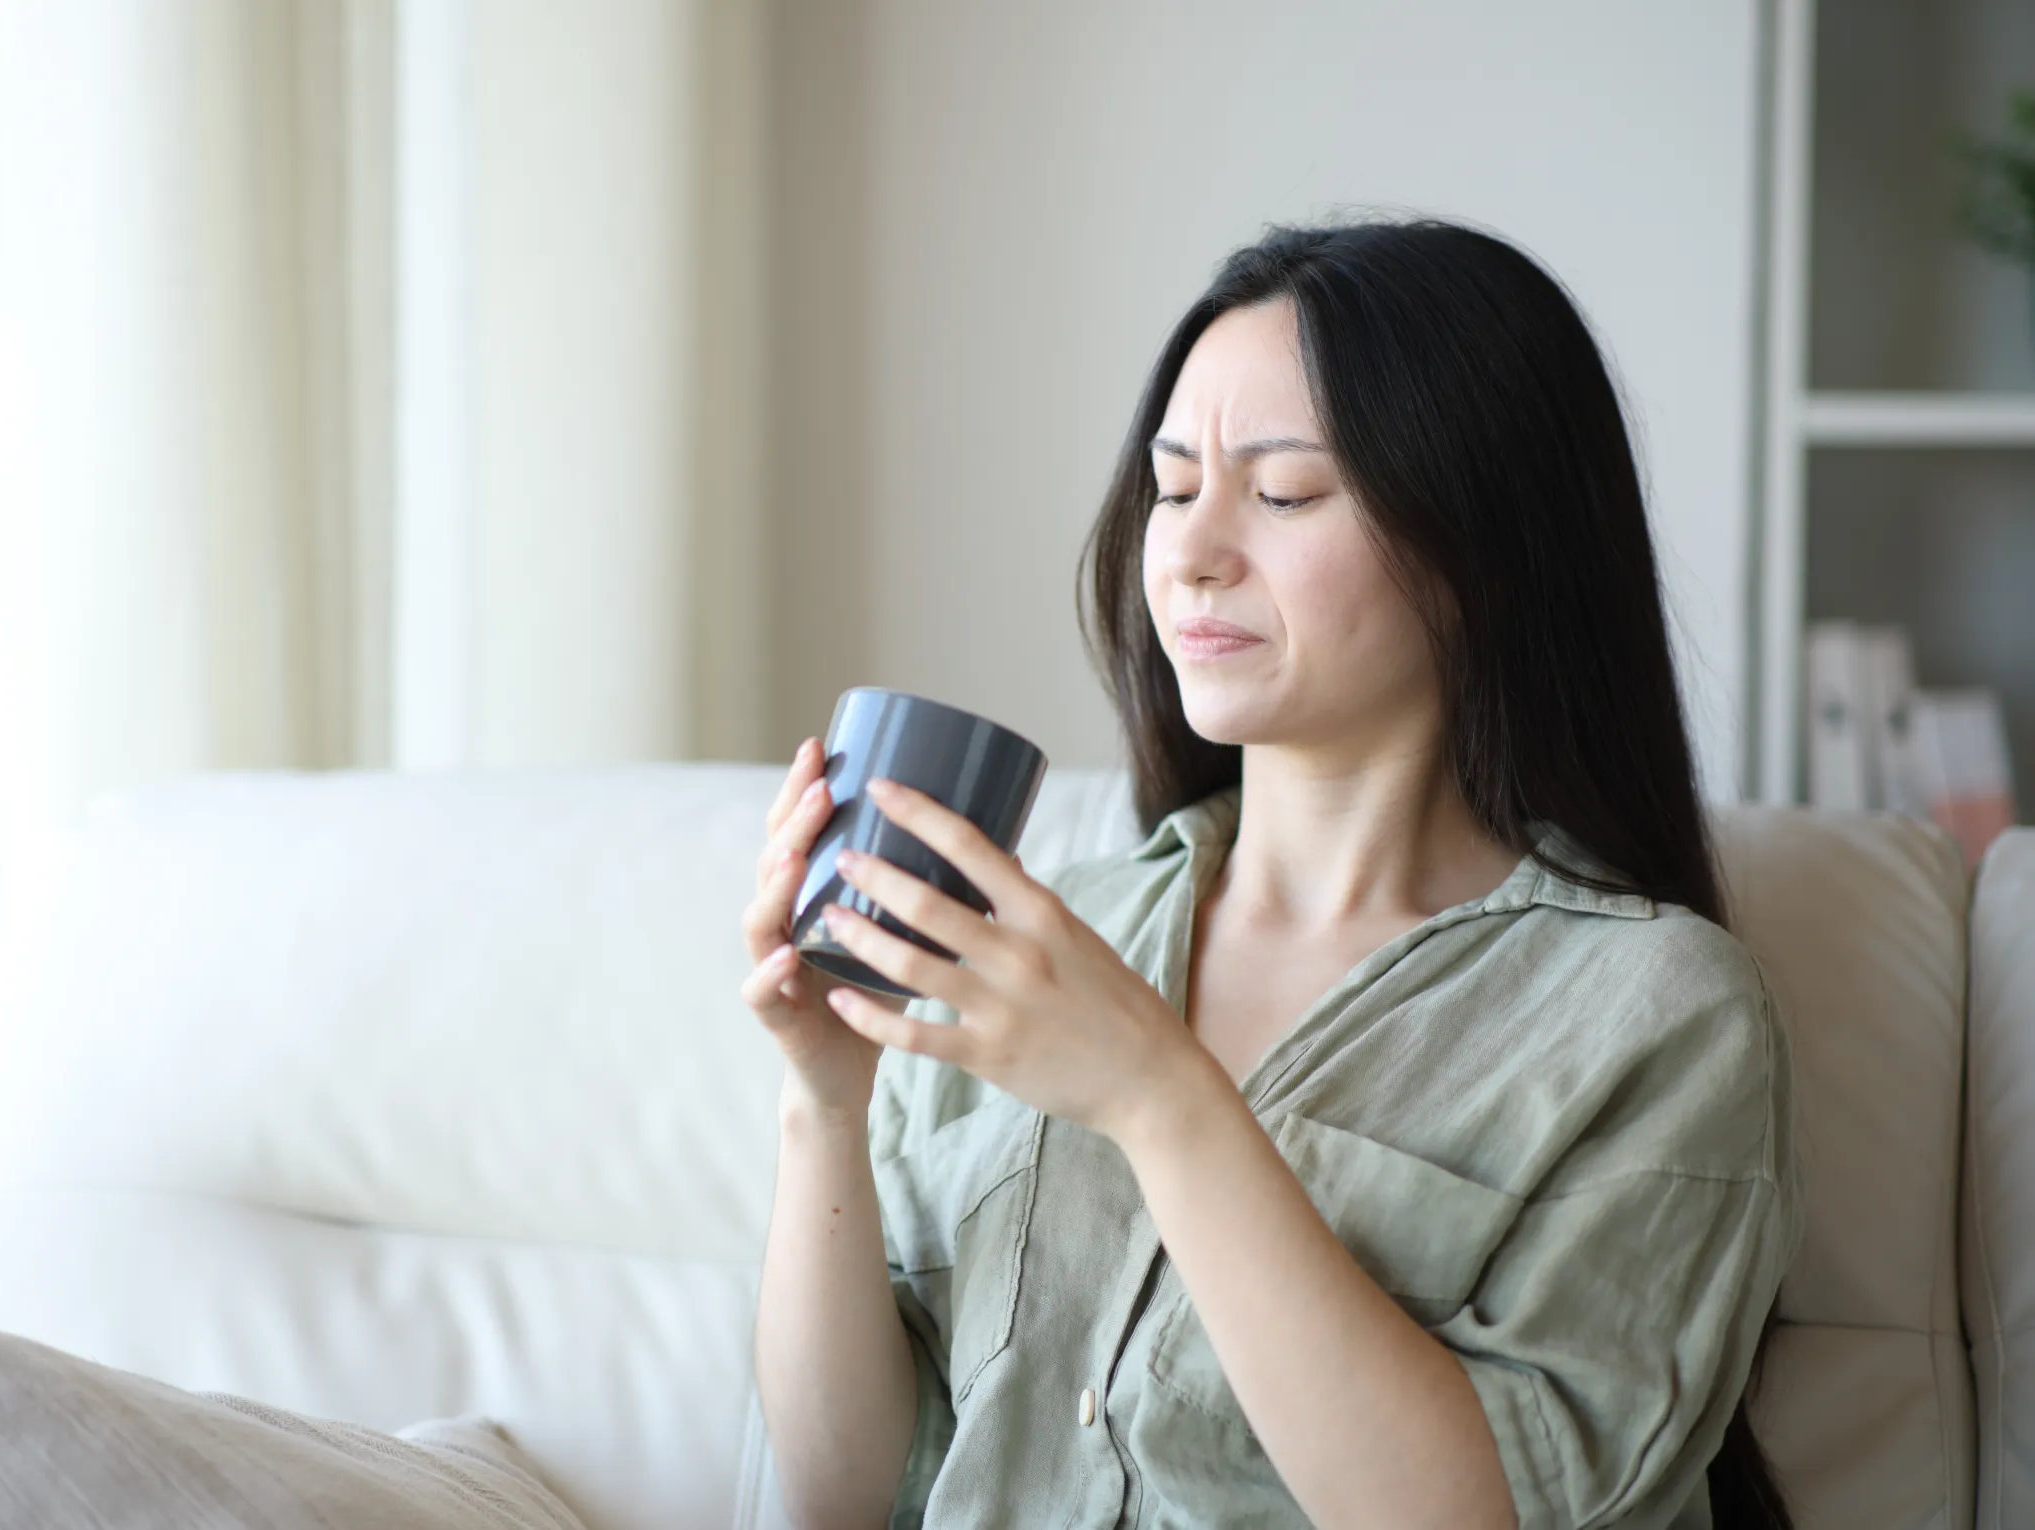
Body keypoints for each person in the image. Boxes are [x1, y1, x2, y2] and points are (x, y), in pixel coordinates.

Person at [739, 220, 1800, 1530]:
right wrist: (823, 1102)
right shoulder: (1042, 943)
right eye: (1174, 486)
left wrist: (1157, 1094)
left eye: (1283, 492)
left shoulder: (1655, 1014)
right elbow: (844, 1492)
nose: (1189, 551)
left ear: (1482, 546)